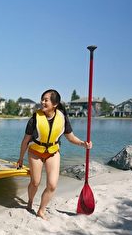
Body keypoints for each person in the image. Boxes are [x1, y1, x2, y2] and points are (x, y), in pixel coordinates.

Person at [17, 89, 92, 219]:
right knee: (35, 182)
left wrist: (83, 144)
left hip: (53, 152)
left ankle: (41, 210)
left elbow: (70, 137)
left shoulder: (62, 118)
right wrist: (20, 159)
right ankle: (30, 201)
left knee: (52, 185)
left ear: (55, 104)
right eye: (42, 99)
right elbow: (25, 141)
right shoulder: (34, 119)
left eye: (46, 100)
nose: (42, 102)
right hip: (36, 152)